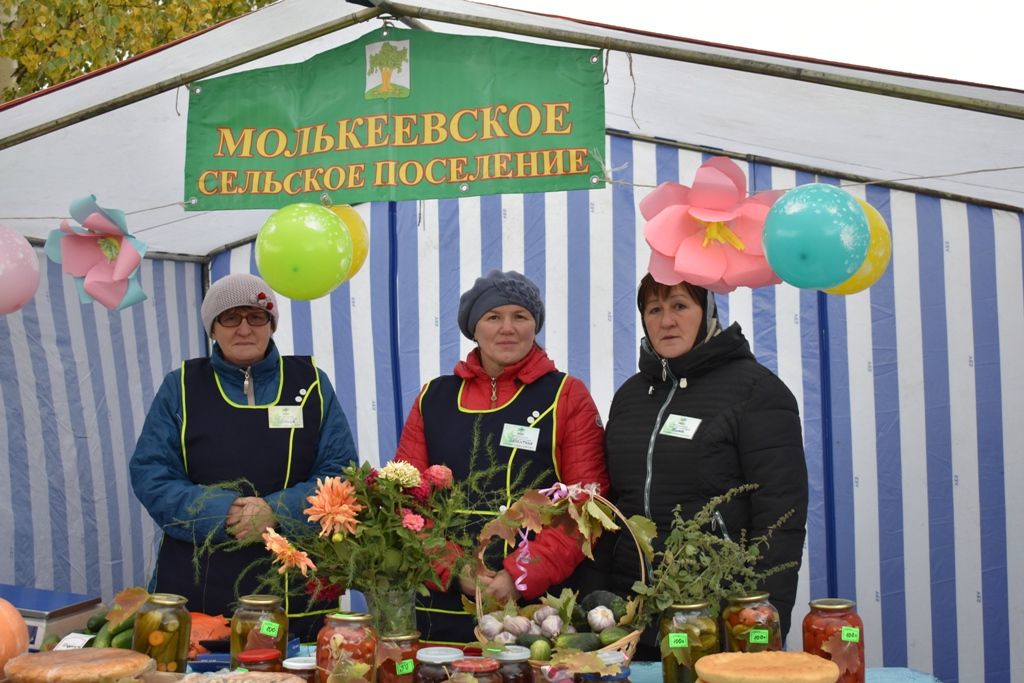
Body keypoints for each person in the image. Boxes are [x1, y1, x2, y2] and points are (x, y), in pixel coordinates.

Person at [394, 269, 609, 645]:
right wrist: (454, 567)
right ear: (473, 328)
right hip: (443, 605)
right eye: (494, 317)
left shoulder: (567, 395)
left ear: (534, 325)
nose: (507, 328)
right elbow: (404, 503)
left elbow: (587, 509)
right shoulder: (433, 398)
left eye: (520, 317)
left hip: (537, 613)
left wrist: (520, 573)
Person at [130, 273, 358, 625]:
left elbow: (339, 471)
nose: (244, 329)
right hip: (198, 575)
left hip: (294, 576)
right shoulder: (181, 387)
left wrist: (276, 513)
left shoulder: (311, 383)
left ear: (271, 324)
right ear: (212, 328)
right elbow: (152, 474)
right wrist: (226, 514)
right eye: (230, 317)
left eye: (256, 316)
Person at [603, 274, 808, 655]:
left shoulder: (757, 391)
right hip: (633, 614)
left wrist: (763, 620)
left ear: (707, 311)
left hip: (719, 611)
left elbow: (781, 518)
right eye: (654, 309)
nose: (667, 321)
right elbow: (611, 507)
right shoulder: (630, 397)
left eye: (680, 305)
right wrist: (600, 601)